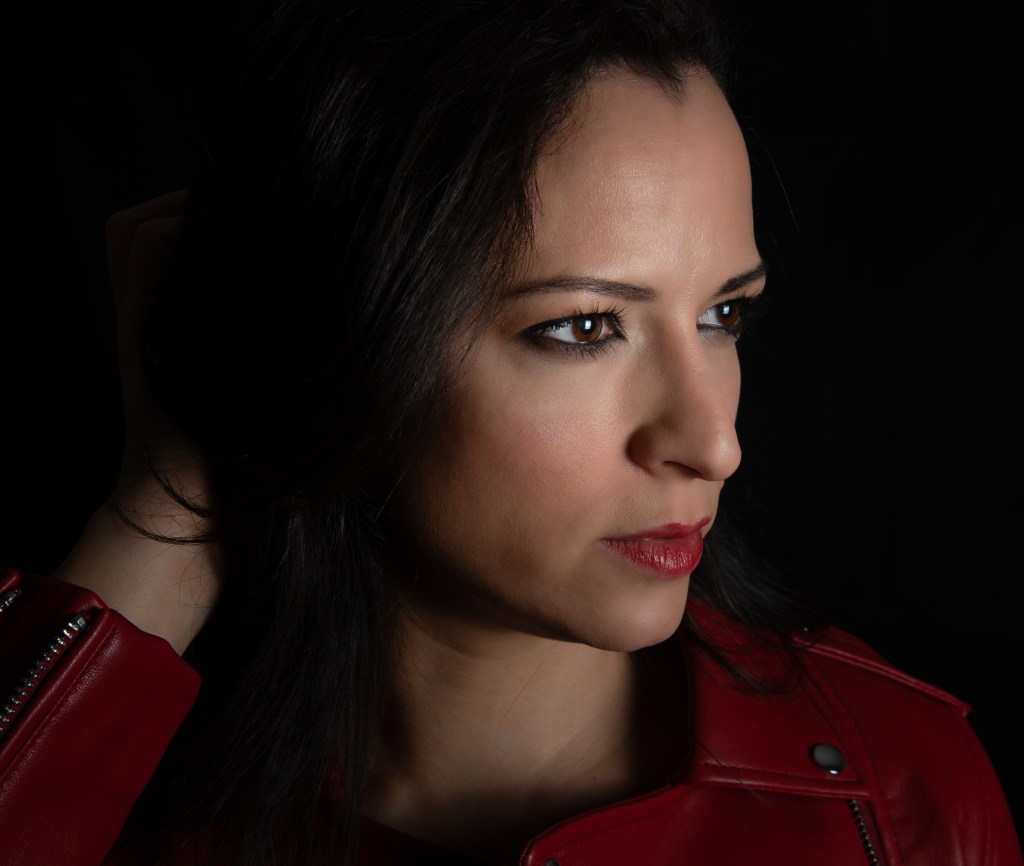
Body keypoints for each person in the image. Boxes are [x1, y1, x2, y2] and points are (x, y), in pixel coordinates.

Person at [1, 0, 1020, 864]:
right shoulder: (130, 789)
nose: (714, 445)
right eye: (584, 327)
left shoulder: (901, 798)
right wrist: (162, 519)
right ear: (347, 345)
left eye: (724, 314)